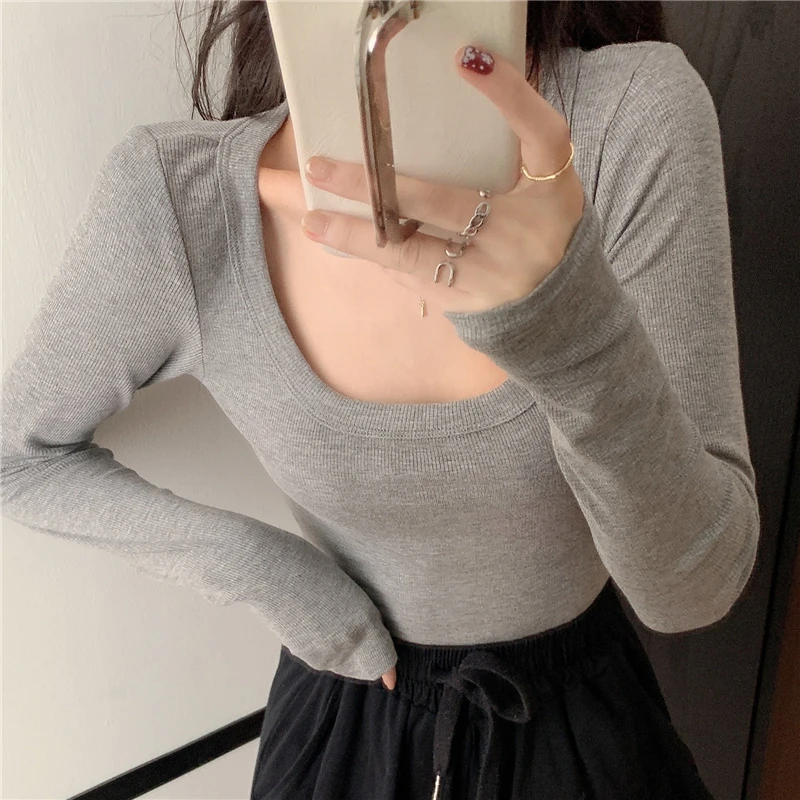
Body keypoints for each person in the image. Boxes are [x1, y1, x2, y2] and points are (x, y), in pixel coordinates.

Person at [1, 2, 760, 799]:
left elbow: (692, 589)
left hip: (582, 734)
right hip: (340, 730)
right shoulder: (183, 197)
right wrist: (272, 575)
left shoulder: (633, 115)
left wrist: (565, 329)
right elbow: (21, 456)